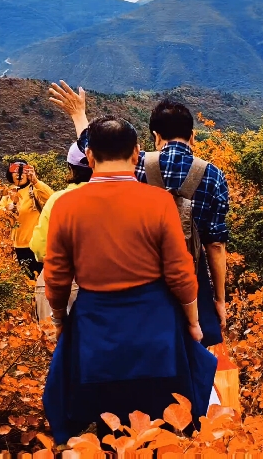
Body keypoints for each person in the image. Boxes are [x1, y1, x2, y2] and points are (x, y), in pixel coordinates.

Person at [41, 116, 217, 443]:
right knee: (163, 427)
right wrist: (193, 323)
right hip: (156, 330)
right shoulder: (158, 202)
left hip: (95, 330)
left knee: (105, 427)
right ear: (137, 154)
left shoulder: (66, 206)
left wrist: (60, 320)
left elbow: (57, 277)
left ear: (90, 157)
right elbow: (180, 272)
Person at [48, 83, 230, 349]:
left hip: (143, 281)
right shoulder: (213, 175)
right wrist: (219, 299)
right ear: (193, 137)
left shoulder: (139, 163)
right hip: (192, 276)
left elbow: (99, 148)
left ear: (156, 137)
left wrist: (78, 114)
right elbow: (216, 244)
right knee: (193, 353)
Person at [29, 143, 92, 324]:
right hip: (100, 283)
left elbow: (40, 249)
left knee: (55, 345)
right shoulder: (113, 197)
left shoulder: (58, 200)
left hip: (59, 281)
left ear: (71, 169)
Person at [0, 159, 53, 277]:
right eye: (15, 171)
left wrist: (36, 181)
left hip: (36, 246)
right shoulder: (8, 194)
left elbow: (52, 198)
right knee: (26, 284)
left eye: (23, 171)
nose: (19, 174)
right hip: (17, 247)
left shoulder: (34, 190)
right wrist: (8, 208)